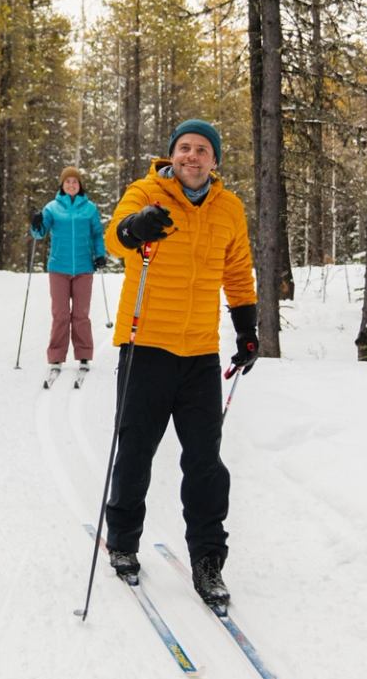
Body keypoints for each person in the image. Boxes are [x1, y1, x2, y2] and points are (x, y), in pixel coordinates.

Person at [101, 119, 259, 608]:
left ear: (215, 160)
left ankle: (208, 559)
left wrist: (247, 329)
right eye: (185, 148)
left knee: (205, 462)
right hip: (146, 345)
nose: (192, 156)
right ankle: (123, 540)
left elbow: (238, 270)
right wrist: (136, 227)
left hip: (200, 353)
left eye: (202, 149)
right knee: (136, 451)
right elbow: (114, 239)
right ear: (172, 155)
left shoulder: (229, 208)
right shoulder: (146, 192)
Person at [29, 165, 107, 377]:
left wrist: (100, 255)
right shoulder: (52, 208)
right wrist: (36, 224)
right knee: (60, 314)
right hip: (59, 267)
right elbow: (39, 234)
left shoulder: (89, 208)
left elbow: (97, 234)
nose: (71, 185)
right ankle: (56, 356)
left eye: (75, 181)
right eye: (68, 182)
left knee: (81, 314)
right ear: (62, 185)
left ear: (80, 185)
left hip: (84, 267)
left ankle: (84, 354)